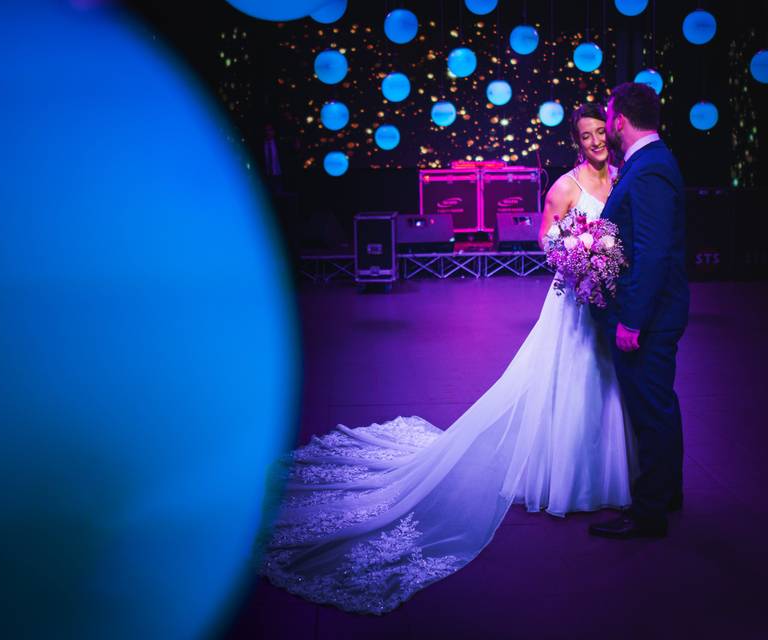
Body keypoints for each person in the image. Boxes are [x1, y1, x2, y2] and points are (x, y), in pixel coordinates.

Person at [259, 104, 635, 614]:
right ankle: (560, 476)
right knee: (564, 380)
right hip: (571, 300)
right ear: (576, 140)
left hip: (606, 300)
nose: (595, 142)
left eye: (600, 134)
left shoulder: (623, 176)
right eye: (586, 136)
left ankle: (603, 472)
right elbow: (544, 237)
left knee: (604, 382)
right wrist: (576, 252)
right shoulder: (565, 187)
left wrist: (607, 260)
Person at [588, 82, 689, 539]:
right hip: (652, 310)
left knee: (650, 410)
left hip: (648, 316)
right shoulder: (649, 162)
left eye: (609, 118)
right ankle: (666, 495)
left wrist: (632, 319)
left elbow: (652, 252)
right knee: (659, 405)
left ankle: (649, 512)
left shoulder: (648, 169)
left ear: (619, 121)